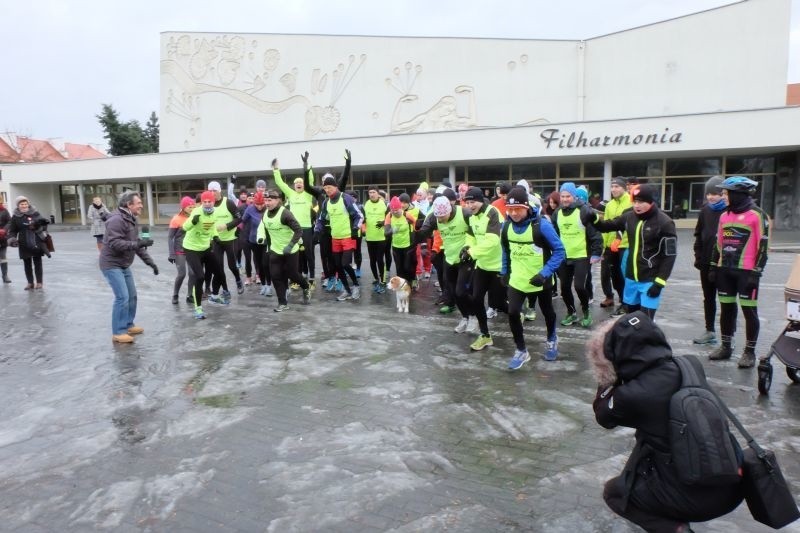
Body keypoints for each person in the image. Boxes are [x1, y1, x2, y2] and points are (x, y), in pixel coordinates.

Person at [588, 312, 743, 533]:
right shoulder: (689, 364)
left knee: (615, 493)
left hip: (696, 497)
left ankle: (675, 529)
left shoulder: (632, 395)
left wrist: (607, 377)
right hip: (733, 480)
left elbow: (603, 416)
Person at [708, 176, 770, 368]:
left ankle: (749, 352)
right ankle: (726, 346)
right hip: (725, 270)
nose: (723, 196)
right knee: (726, 309)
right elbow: (718, 243)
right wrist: (712, 266)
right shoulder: (725, 215)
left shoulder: (757, 214)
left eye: (726, 193)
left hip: (746, 272)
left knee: (749, 311)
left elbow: (764, 246)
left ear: (738, 194)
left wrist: (756, 272)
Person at [500, 187, 565, 369]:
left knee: (547, 312)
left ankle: (552, 338)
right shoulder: (506, 227)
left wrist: (545, 273)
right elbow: (505, 250)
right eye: (510, 209)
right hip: (518, 281)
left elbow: (559, 251)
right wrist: (504, 272)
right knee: (513, 313)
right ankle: (521, 350)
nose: (513, 213)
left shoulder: (541, 225)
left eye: (518, 209)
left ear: (527, 207)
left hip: (540, 279)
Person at [593, 184, 677, 320]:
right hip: (631, 278)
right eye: (635, 202)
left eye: (641, 202)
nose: (637, 205)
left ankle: (649, 341)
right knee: (632, 320)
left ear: (651, 202)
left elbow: (670, 256)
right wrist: (594, 218)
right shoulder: (629, 217)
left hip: (650, 280)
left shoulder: (665, 222)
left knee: (646, 321)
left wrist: (660, 282)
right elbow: (606, 226)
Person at [98, 191, 159, 343]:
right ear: (128, 205)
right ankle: (118, 332)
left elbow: (136, 245)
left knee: (132, 296)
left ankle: (128, 324)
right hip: (111, 264)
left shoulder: (131, 219)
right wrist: (137, 244)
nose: (141, 205)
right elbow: (115, 243)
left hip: (124, 264)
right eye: (138, 203)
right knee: (122, 297)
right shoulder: (117, 220)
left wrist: (150, 262)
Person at [311, 151, 361, 301]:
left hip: (347, 237)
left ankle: (356, 286)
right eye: (325, 189)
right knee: (338, 266)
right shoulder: (326, 202)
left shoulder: (345, 199)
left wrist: (355, 229)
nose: (327, 191)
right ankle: (346, 290)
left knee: (345, 264)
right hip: (335, 238)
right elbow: (321, 219)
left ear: (335, 187)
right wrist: (317, 231)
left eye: (330, 188)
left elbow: (359, 216)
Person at [551, 183, 603, 328]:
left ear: (574, 196)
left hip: (581, 255)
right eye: (563, 196)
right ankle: (571, 312)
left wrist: (596, 252)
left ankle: (586, 312)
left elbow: (595, 233)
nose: (565, 199)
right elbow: (554, 235)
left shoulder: (584, 210)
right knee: (565, 288)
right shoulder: (557, 213)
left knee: (580, 286)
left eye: (568, 196)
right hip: (564, 256)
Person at [462, 186, 504, 351]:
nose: (470, 205)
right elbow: (471, 237)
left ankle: (516, 313)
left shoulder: (492, 213)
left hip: (498, 266)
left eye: (473, 202)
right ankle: (485, 336)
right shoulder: (472, 217)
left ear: (481, 201)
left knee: (498, 303)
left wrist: (472, 252)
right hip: (482, 265)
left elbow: (493, 241)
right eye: (468, 202)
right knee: (476, 299)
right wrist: (467, 247)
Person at [257, 189, 311, 311]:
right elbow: (266, 231)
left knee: (293, 275)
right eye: (266, 200)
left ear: (277, 200)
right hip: (275, 251)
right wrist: (268, 246)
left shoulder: (285, 214)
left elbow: (299, 230)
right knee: (275, 276)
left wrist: (291, 245)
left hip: (290, 251)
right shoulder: (265, 214)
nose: (267, 203)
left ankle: (306, 287)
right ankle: (282, 303)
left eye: (270, 200)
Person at [692, 176, 726, 345]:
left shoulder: (730, 210)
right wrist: (698, 256)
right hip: (706, 261)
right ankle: (709, 330)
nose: (711, 197)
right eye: (708, 194)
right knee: (709, 298)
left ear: (723, 193)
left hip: (723, 264)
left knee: (727, 300)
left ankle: (729, 336)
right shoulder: (705, 210)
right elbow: (699, 234)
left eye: (715, 193)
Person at [273, 157, 316, 286]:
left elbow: (311, 180)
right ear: (294, 185)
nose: (298, 184)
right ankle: (297, 279)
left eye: (301, 182)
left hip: (307, 229)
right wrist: (276, 169)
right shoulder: (290, 194)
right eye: (296, 182)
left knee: (309, 254)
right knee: (296, 255)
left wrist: (307, 165)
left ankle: (312, 279)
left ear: (304, 184)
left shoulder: (308, 194)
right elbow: (280, 183)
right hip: (294, 229)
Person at [182, 191, 223, 319]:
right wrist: (192, 222)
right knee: (199, 277)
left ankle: (215, 297)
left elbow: (212, 227)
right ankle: (198, 308)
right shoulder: (197, 212)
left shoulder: (215, 212)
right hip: (191, 248)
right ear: (201, 202)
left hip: (205, 247)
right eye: (204, 202)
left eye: (209, 201)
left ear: (213, 202)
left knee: (220, 272)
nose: (206, 204)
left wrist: (215, 237)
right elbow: (185, 227)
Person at [600, 177, 633, 315]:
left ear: (624, 188)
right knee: (608, 273)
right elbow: (606, 226)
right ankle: (611, 297)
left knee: (622, 274)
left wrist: (620, 240)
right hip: (610, 245)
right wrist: (604, 245)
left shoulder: (631, 203)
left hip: (625, 244)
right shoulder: (609, 205)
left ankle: (625, 301)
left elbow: (630, 225)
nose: (613, 189)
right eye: (612, 187)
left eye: (617, 187)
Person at [208, 180, 244, 301]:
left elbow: (239, 219)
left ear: (219, 191)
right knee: (218, 268)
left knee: (232, 265)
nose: (212, 193)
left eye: (214, 190)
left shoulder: (228, 202)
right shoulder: (208, 205)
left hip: (230, 240)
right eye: (210, 190)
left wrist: (227, 226)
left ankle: (238, 280)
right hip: (216, 240)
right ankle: (225, 289)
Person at [5, 196, 50, 290]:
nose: (24, 205)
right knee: (27, 263)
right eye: (22, 204)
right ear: (18, 205)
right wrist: (12, 239)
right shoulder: (15, 216)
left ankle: (39, 282)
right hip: (23, 241)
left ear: (28, 204)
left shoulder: (35, 213)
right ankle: (30, 283)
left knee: (37, 262)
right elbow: (12, 230)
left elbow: (44, 226)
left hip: (36, 239)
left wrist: (37, 226)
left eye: (25, 204)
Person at [242, 191, 273, 296]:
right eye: (257, 204)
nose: (260, 207)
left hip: (266, 241)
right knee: (259, 264)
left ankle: (269, 285)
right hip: (254, 241)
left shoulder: (269, 209)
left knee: (265, 264)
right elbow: (243, 221)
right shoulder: (250, 209)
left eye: (261, 204)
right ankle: (263, 285)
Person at [168, 196, 197, 305]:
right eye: (189, 207)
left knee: (193, 273)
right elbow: (170, 237)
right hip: (179, 250)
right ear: (184, 207)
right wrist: (171, 254)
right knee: (182, 274)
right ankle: (175, 294)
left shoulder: (195, 217)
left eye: (193, 206)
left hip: (191, 249)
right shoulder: (176, 219)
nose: (192, 208)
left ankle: (190, 295)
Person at [363, 185, 389, 293]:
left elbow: (389, 217)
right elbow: (363, 219)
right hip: (370, 237)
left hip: (381, 237)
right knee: (372, 260)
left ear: (378, 193)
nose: (372, 194)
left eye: (374, 192)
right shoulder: (366, 205)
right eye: (370, 193)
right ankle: (375, 279)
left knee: (379, 260)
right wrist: (363, 229)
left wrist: (383, 223)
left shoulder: (384, 204)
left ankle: (383, 281)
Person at [0, 197, 11, 283]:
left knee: (3, 257)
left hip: (2, 238)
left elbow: (10, 222)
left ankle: (5, 275)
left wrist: (4, 230)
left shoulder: (4, 211)